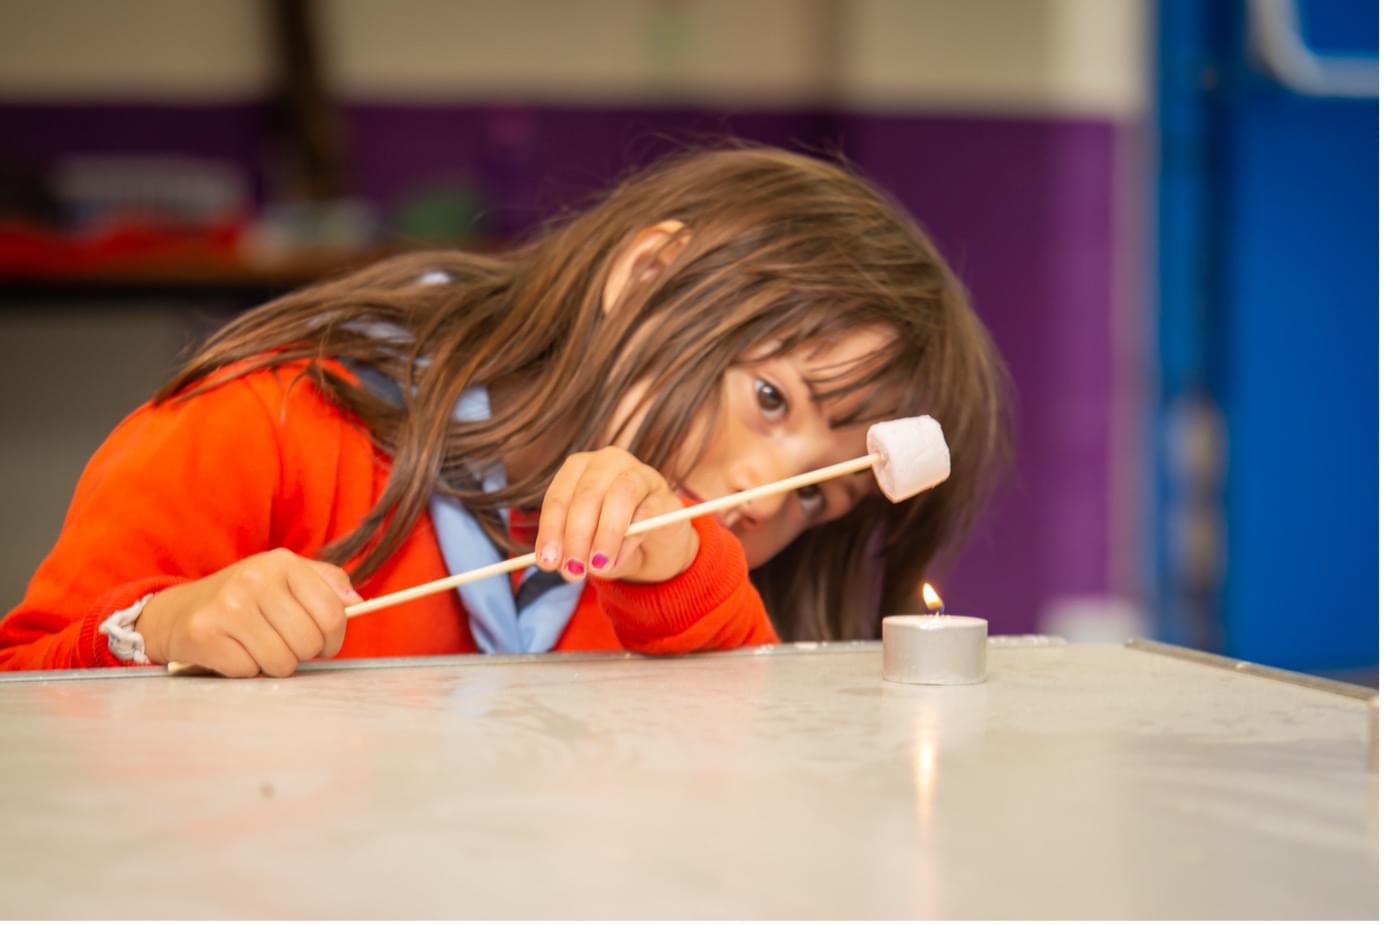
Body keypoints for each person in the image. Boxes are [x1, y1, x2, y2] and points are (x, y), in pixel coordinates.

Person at [0, 145, 1008, 676]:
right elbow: (25, 690)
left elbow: (738, 786)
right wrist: (161, 626)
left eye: (820, 498)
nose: (762, 492)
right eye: (768, 397)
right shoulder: (269, 420)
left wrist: (681, 581)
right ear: (648, 271)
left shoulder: (702, 611)